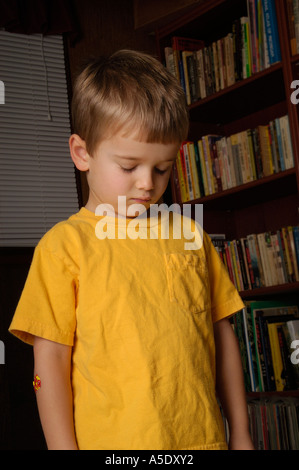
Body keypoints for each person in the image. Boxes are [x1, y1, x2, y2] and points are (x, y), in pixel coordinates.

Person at [9, 49, 254, 451]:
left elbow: (222, 337)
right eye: (129, 166)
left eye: (162, 168)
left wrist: (240, 434)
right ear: (82, 153)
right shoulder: (63, 248)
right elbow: (49, 363)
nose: (147, 184)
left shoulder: (190, 235)